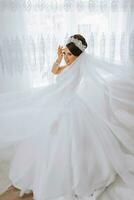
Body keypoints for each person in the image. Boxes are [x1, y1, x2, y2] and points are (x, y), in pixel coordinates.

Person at [0, 34, 134, 200]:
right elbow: (55, 71)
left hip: (70, 107)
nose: (67, 57)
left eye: (70, 54)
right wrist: (59, 58)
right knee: (45, 139)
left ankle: (76, 179)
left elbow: (73, 85)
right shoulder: (67, 66)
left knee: (68, 142)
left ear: (78, 56)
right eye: (66, 53)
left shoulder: (79, 70)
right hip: (59, 104)